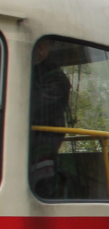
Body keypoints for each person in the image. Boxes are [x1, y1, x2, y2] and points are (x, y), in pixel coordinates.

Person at [30, 39, 71, 197]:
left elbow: (35, 109)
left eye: (43, 45)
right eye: (37, 45)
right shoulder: (29, 70)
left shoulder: (57, 79)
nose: (39, 50)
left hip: (41, 143)